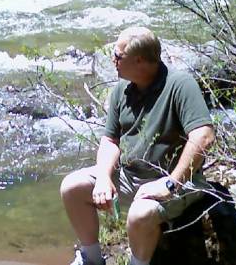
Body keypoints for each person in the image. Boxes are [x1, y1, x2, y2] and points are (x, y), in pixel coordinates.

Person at [60, 26, 214, 265]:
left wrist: (171, 183)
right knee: (72, 187)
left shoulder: (180, 85)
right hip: (130, 177)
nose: (113, 60)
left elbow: (203, 136)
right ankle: (91, 259)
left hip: (173, 181)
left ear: (139, 60)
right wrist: (103, 176)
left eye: (118, 55)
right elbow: (110, 140)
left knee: (140, 213)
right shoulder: (122, 89)